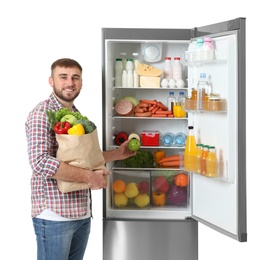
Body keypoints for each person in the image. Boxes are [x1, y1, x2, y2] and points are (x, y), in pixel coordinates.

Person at [25, 58, 136, 260]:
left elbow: (85, 158)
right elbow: (40, 161)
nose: (70, 83)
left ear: (81, 83)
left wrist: (117, 154)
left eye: (75, 78)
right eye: (63, 77)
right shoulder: (41, 114)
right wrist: (89, 177)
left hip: (81, 214)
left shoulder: (75, 115)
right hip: (54, 215)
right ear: (51, 81)